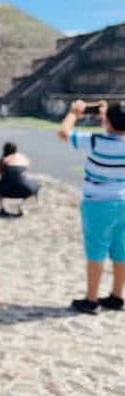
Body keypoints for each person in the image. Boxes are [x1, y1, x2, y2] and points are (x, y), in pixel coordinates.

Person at [58, 100, 125, 314]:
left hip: (98, 202)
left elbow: (64, 133)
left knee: (96, 251)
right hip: (123, 201)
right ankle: (116, 296)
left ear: (108, 121)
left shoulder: (96, 141)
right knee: (120, 251)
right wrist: (108, 117)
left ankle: (91, 299)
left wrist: (74, 113)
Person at [0, 141, 40, 215]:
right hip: (24, 190)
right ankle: (22, 206)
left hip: (5, 190)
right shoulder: (23, 158)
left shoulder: (2, 161)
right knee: (36, 185)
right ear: (16, 150)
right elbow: (25, 171)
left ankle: (1, 207)